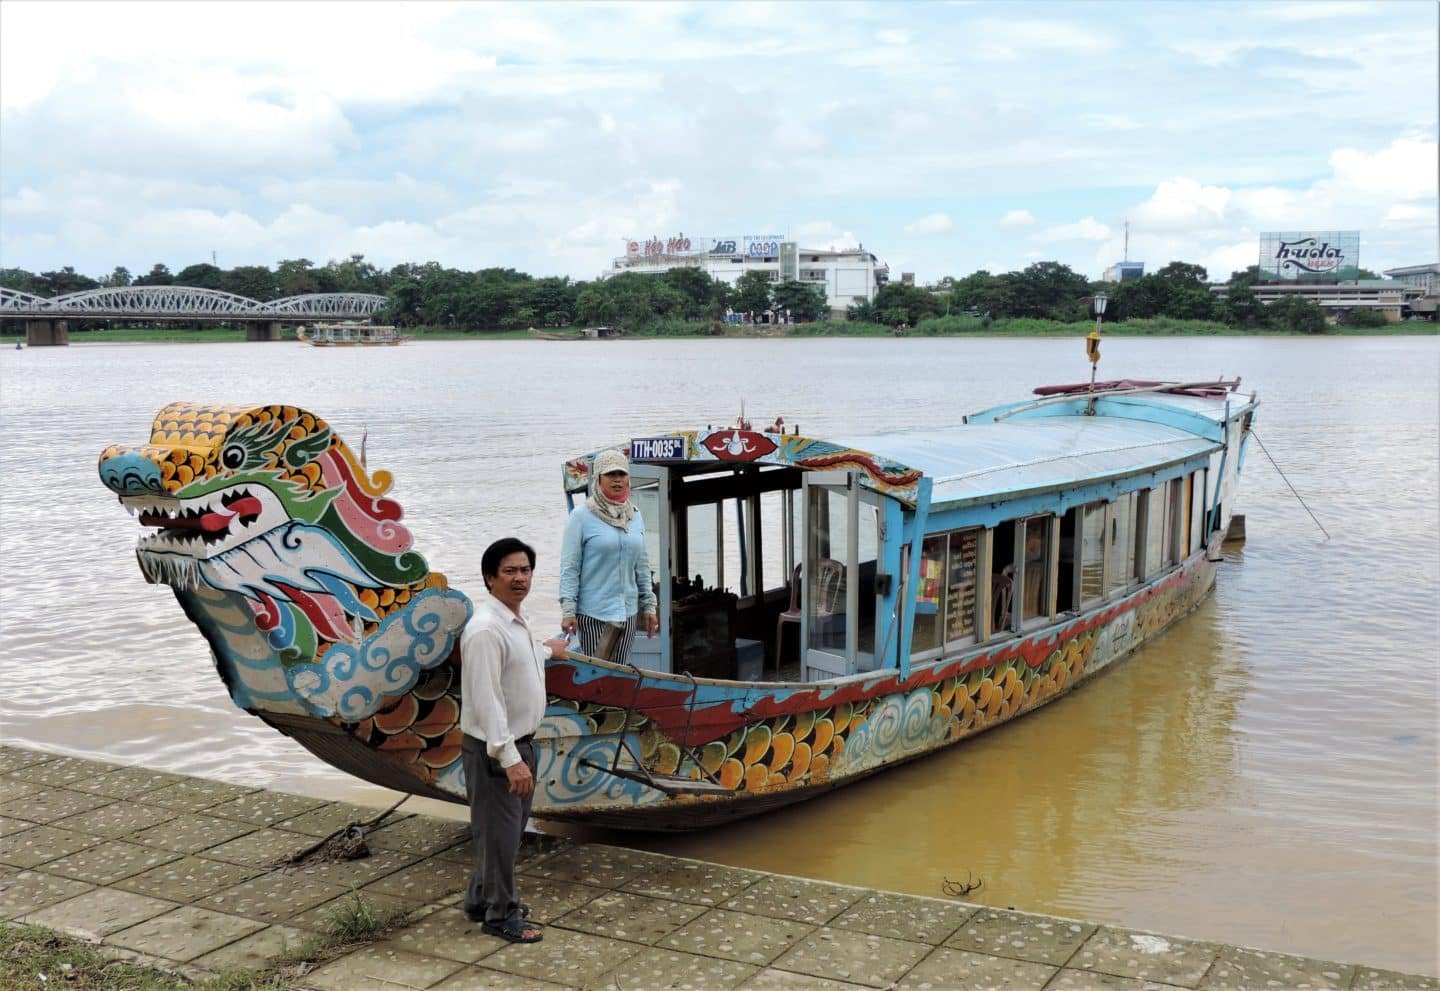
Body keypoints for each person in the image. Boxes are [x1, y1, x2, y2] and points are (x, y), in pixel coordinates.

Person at [460, 537, 568, 944]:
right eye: (510, 571)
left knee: (500, 831)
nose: (520, 578)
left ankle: (479, 899)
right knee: (502, 837)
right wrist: (509, 758)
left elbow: (519, 662)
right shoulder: (486, 629)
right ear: (490, 578)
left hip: (519, 743)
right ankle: (501, 916)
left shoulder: (512, 621)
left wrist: (548, 651)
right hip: (498, 749)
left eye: (525, 570)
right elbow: (486, 699)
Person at [559, 450, 659, 662]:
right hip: (594, 613)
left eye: (622, 474)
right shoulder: (581, 517)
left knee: (620, 675)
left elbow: (642, 565)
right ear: (598, 479)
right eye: (610, 474)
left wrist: (649, 607)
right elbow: (570, 567)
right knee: (599, 678)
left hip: (628, 612)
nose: (617, 480)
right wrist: (568, 610)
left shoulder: (634, 515)